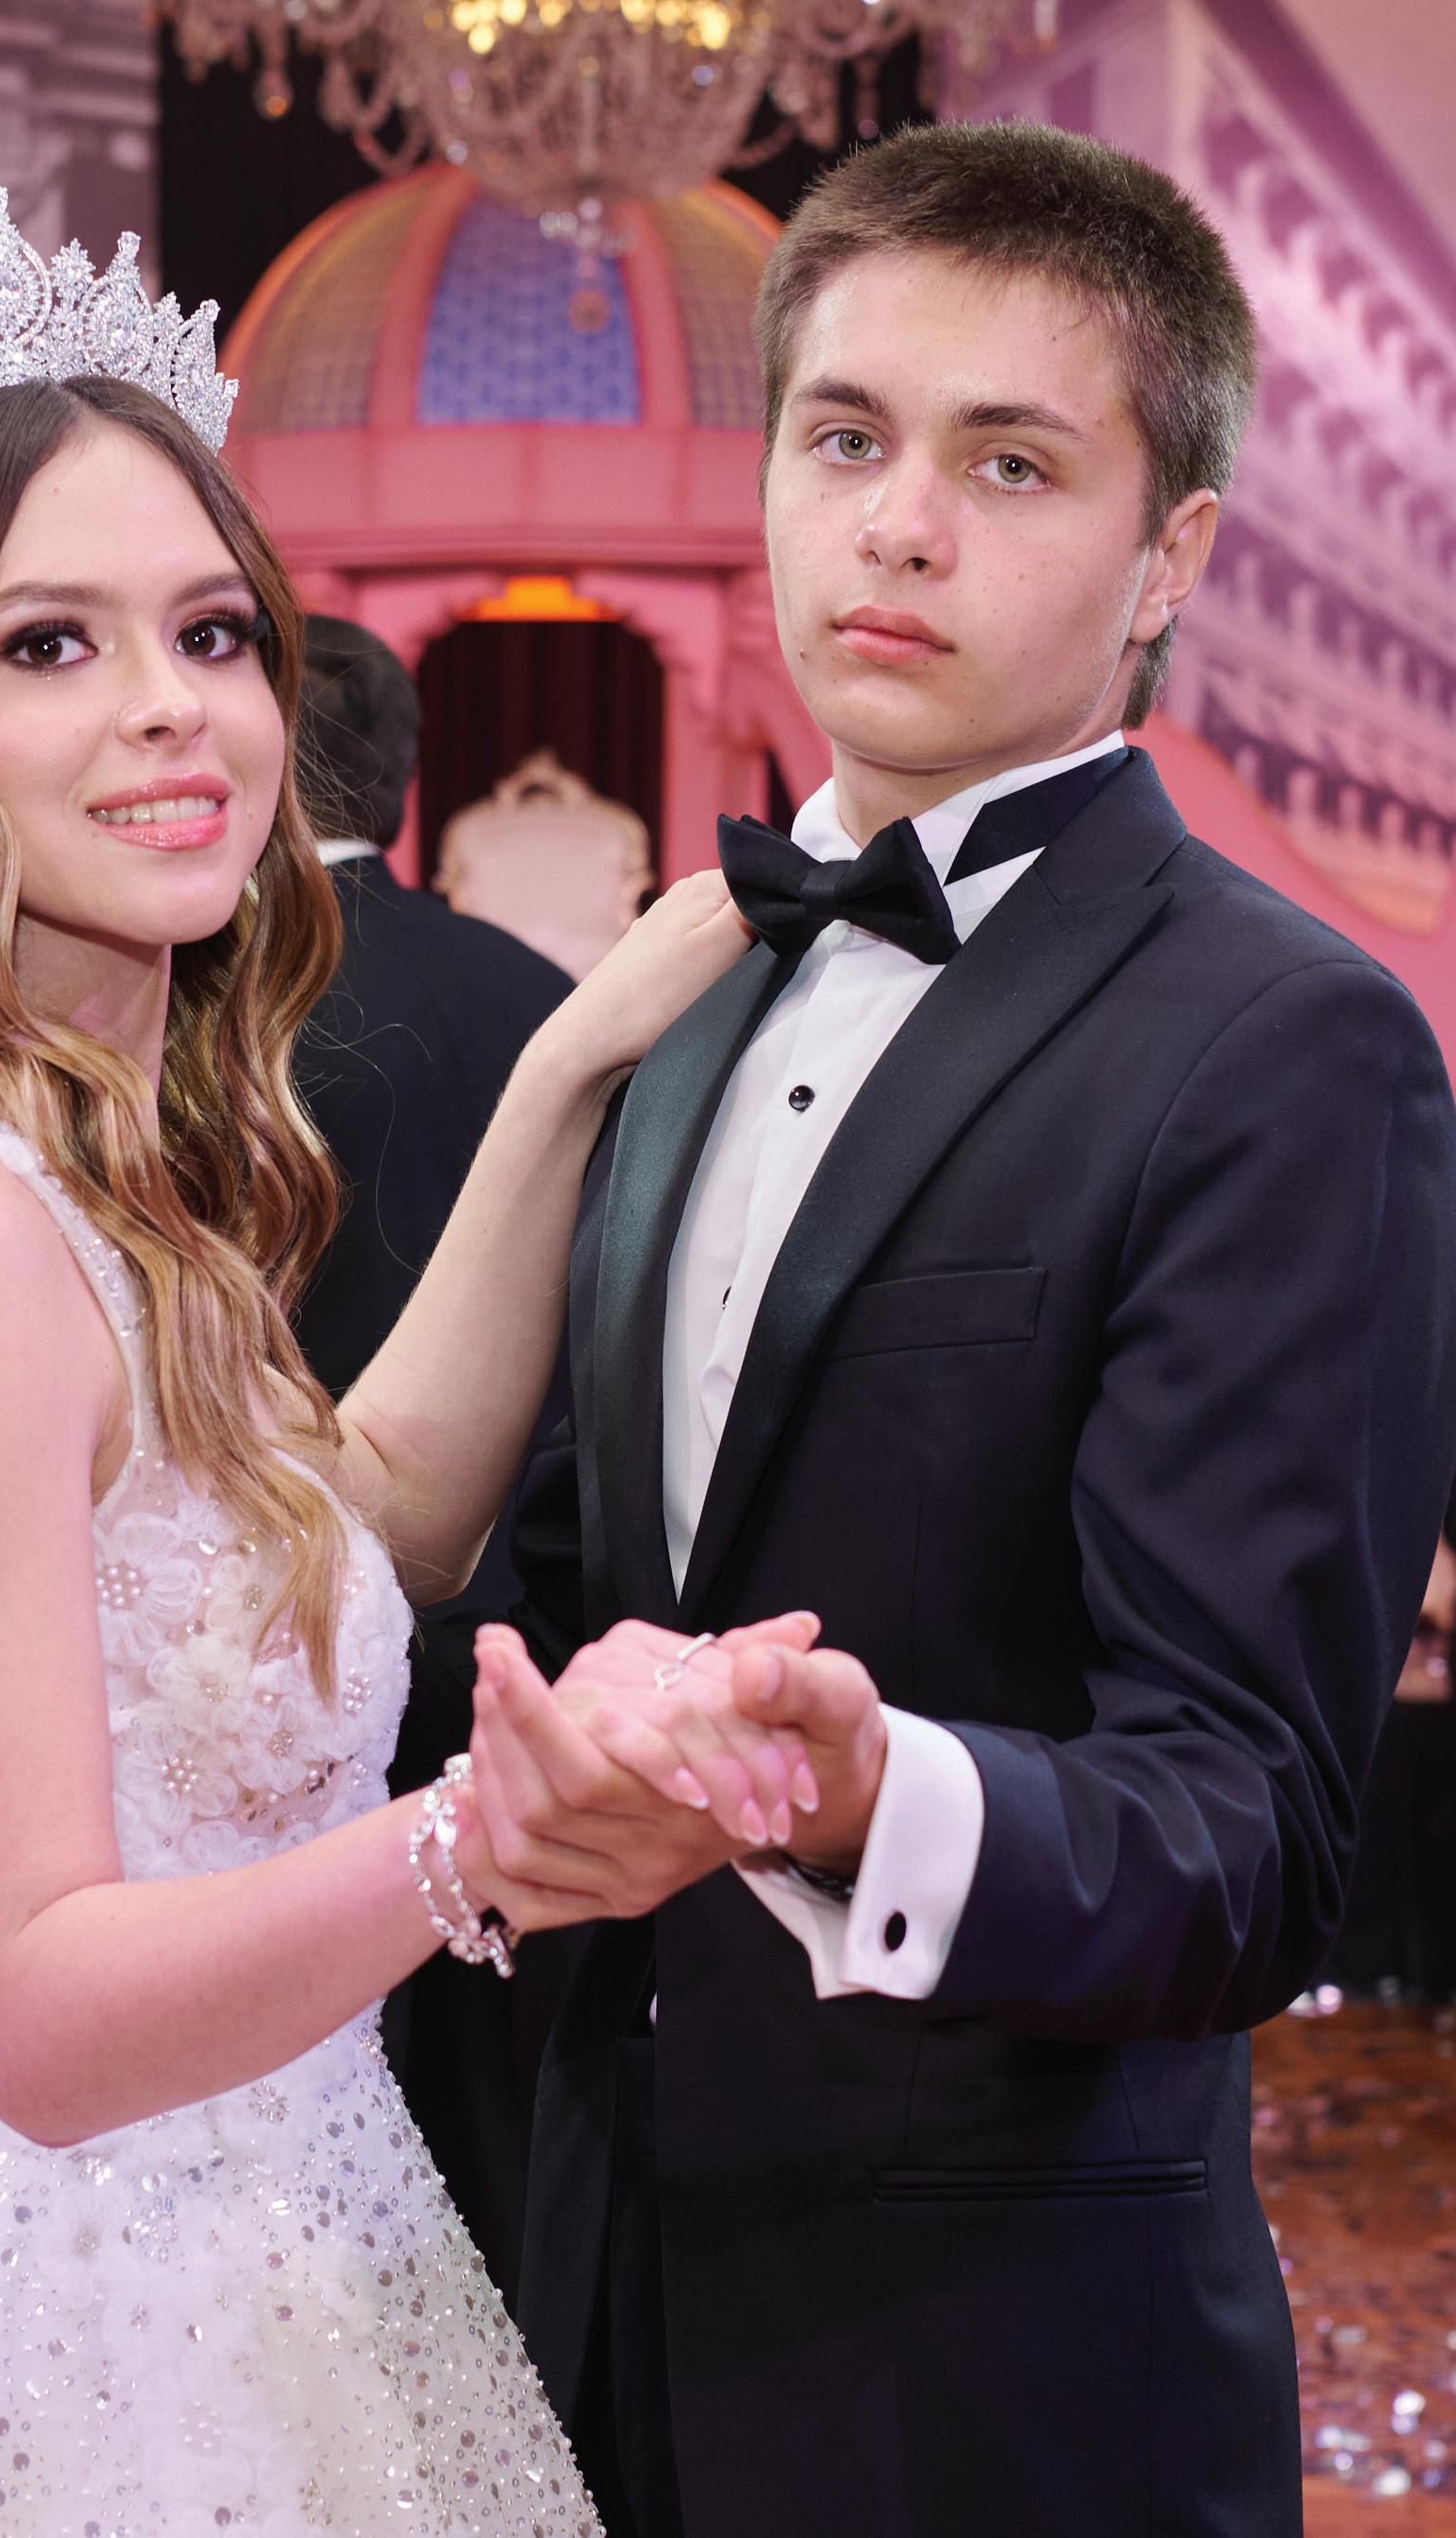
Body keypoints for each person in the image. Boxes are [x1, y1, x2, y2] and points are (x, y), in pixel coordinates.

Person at [0, 196, 806, 2537]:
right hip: (71, 2354)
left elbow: (368, 1518)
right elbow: (41, 2012)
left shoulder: (89, 1161)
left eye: (213, 631)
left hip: (268, 2269)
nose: (173, 705)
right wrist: (486, 1839)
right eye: (47, 643)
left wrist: (567, 1071)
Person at [407, 121, 1456, 2538]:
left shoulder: (1286, 1047)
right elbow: (569, 1581)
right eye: (843, 436)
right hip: (587, 2273)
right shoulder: (679, 989)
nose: (895, 526)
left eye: (1008, 463)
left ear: (1168, 557)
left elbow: (1250, 1830)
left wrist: (876, 1788)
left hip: (993, 2365)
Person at [290, 614, 581, 2303]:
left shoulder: (193, 999)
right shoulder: (539, 998)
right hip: (516, 1621)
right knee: (485, 2115)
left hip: (268, 1618)